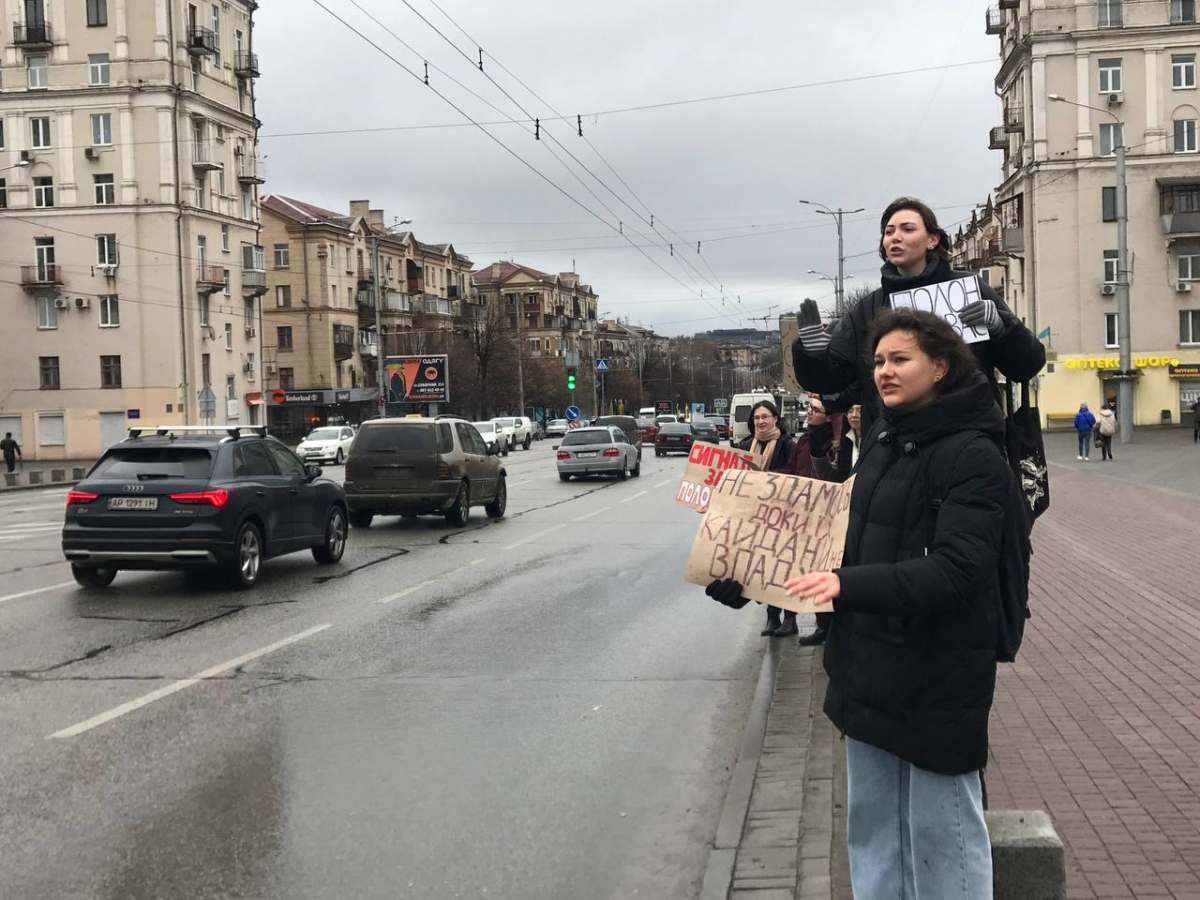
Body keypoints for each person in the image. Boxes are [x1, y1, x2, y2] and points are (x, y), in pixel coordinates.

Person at [781, 308, 1020, 899]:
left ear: (940, 366)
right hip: (867, 667)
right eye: (879, 361)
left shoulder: (974, 453)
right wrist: (745, 571)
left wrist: (848, 586)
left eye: (900, 359)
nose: (884, 371)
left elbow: (959, 571)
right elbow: (844, 534)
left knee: (945, 839)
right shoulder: (886, 440)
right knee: (871, 831)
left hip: (935, 674)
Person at [791, 197, 1045, 436]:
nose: (895, 238)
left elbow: (1027, 365)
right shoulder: (868, 309)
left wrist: (1003, 328)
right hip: (895, 445)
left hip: (968, 438)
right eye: (889, 232)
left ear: (932, 240)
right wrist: (813, 354)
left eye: (907, 229)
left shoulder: (970, 290)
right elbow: (833, 383)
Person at [799, 399, 863, 647]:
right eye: (851, 410)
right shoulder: (846, 442)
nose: (854, 414)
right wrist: (819, 454)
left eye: (859, 410)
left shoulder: (875, 441)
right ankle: (827, 625)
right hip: (841, 516)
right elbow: (835, 477)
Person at [734, 400, 800, 638]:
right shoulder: (743, 445)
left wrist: (767, 479)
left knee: (784, 568)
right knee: (764, 569)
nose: (761, 421)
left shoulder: (787, 445)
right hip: (755, 517)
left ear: (775, 418)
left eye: (765, 416)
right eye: (756, 418)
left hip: (782, 516)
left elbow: (796, 477)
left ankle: (790, 619)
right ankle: (772, 617)